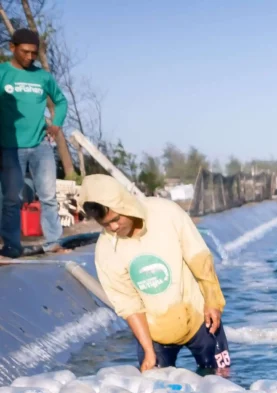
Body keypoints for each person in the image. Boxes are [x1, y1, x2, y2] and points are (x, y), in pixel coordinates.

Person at [80, 174, 231, 375]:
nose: (114, 228)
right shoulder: (106, 250)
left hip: (199, 319)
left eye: (116, 219)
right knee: (157, 390)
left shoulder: (165, 213)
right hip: (155, 333)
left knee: (222, 381)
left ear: (125, 205)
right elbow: (129, 305)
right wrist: (149, 352)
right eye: (106, 224)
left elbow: (199, 257)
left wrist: (213, 301)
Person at [0, 28, 68, 258]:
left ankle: (53, 242)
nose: (30, 57)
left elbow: (60, 101)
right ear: (12, 48)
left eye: (34, 54)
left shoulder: (43, 77)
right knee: (12, 198)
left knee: (48, 195)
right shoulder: (2, 73)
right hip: (10, 147)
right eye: (25, 52)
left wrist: (56, 124)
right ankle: (11, 246)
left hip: (41, 146)